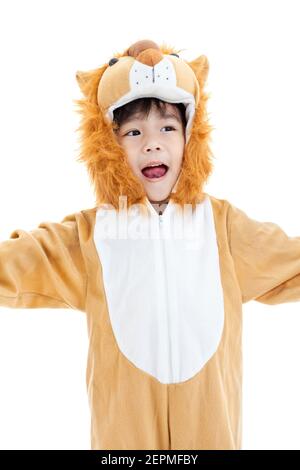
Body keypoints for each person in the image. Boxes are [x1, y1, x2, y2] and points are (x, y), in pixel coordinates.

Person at [1, 38, 300, 451]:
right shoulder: (91, 236)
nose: (152, 143)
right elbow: (17, 263)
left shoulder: (223, 227)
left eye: (167, 128)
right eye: (134, 131)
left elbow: (291, 260)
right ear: (109, 146)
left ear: (189, 139)